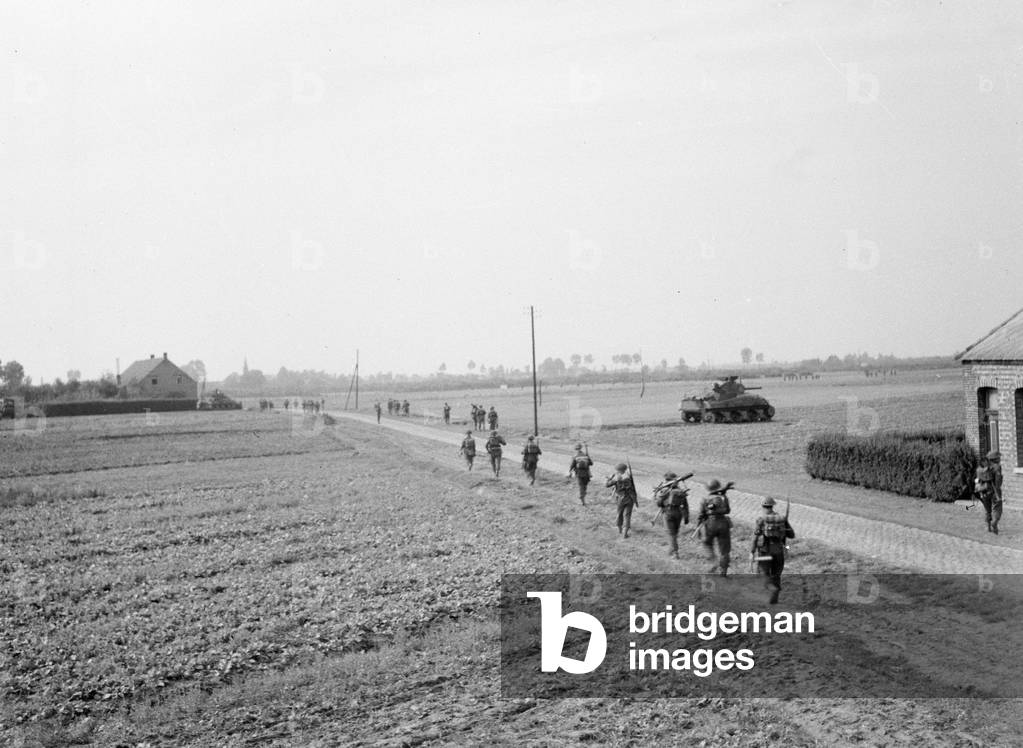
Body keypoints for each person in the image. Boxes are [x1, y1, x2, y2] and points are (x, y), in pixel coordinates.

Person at [750, 496, 794, 603]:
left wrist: (752, 552)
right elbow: (791, 535)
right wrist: (786, 524)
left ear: (763, 506)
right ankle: (774, 600)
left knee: (764, 575)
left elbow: (755, 537)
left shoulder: (761, 520)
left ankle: (772, 589)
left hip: (765, 552)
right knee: (776, 575)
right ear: (772, 506)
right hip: (779, 551)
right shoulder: (781, 519)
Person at [697, 479, 732, 576]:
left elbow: (701, 514)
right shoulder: (723, 498)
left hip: (710, 523)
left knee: (707, 544)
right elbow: (728, 510)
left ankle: (713, 562)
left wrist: (699, 526)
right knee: (725, 549)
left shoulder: (705, 499)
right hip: (723, 523)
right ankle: (723, 571)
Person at [655, 472, 690, 559]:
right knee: (675, 533)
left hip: (668, 513)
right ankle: (671, 550)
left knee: (671, 533)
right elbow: (685, 505)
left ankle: (675, 553)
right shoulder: (680, 491)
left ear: (667, 480)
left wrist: (660, 500)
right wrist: (686, 517)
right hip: (679, 513)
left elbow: (659, 503)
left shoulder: (665, 490)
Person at [606, 462, 638, 538]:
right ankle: (625, 533)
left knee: (619, 514)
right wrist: (635, 500)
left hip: (620, 498)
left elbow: (607, 485)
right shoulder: (628, 477)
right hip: (630, 498)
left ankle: (620, 530)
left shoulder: (616, 478)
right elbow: (633, 489)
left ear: (618, 470)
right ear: (625, 469)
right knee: (628, 515)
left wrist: (609, 478)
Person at [976, 451, 1004, 534]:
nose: (999, 459)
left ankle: (988, 527)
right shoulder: (997, 467)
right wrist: (998, 488)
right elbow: (998, 482)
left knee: (987, 509)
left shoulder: (981, 468)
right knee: (997, 508)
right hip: (994, 491)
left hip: (983, 491)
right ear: (995, 459)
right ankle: (994, 522)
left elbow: (978, 480)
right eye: (998, 457)